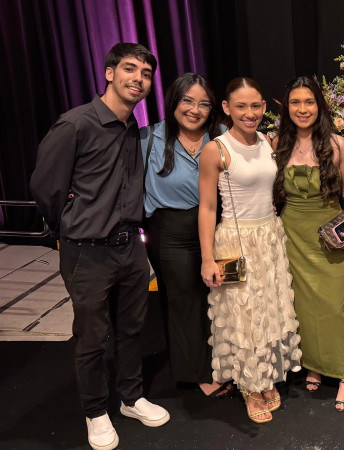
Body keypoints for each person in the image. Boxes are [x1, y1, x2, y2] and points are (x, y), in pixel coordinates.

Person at [30, 43, 169, 450]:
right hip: (87, 250)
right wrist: (68, 223)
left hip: (130, 247)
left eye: (145, 74)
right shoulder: (76, 124)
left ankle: (130, 397)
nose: (138, 79)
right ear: (109, 73)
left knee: (131, 329)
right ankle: (95, 411)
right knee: (92, 337)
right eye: (129, 69)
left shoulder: (132, 130)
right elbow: (45, 187)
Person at [198, 77, 302, 423]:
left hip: (270, 238)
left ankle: (267, 374)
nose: (250, 113)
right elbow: (208, 208)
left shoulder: (267, 141)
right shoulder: (216, 149)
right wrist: (207, 258)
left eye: (256, 106)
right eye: (240, 106)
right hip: (235, 242)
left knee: (269, 310)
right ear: (226, 109)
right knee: (243, 317)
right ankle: (249, 386)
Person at [272, 76, 344, 412]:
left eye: (308, 102)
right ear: (287, 107)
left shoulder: (338, 145)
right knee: (303, 307)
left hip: (330, 237)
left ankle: (342, 375)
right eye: (295, 102)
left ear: (320, 106)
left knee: (334, 308)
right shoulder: (276, 144)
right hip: (291, 235)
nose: (302, 109)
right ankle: (313, 364)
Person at [140, 73, 231, 398]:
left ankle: (226, 363)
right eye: (187, 101)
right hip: (171, 234)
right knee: (185, 304)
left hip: (220, 228)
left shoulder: (222, 136)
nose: (195, 109)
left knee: (222, 298)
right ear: (173, 102)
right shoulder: (148, 138)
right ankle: (198, 373)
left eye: (203, 103)